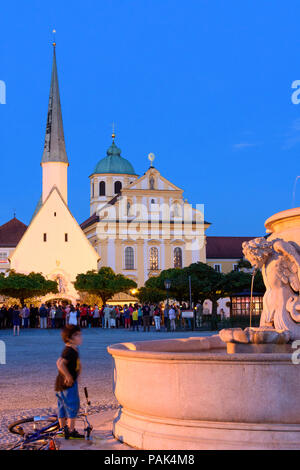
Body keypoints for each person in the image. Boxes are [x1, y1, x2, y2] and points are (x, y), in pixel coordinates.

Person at [55, 325, 84, 439]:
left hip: (60, 384)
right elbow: (60, 363)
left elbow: (77, 364)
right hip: (68, 385)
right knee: (73, 406)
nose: (81, 337)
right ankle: (71, 431)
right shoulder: (70, 350)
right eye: (78, 335)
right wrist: (69, 376)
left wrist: (78, 374)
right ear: (70, 338)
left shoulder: (74, 349)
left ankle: (63, 429)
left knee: (62, 406)